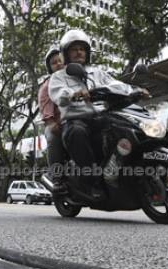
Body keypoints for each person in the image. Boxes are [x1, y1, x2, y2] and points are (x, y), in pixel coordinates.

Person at [49, 29, 148, 201]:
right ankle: (92, 182)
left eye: (82, 49)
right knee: (76, 132)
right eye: (74, 49)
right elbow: (59, 95)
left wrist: (136, 90)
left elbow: (117, 84)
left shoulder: (98, 73)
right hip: (76, 120)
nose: (79, 52)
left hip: (101, 118)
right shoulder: (59, 76)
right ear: (66, 53)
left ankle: (123, 172)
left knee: (126, 126)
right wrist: (75, 94)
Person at [38, 46, 66, 193]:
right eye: (54, 62)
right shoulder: (47, 86)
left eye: (60, 60)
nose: (59, 64)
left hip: (79, 118)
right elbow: (46, 109)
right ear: (50, 67)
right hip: (58, 124)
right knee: (53, 136)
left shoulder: (77, 78)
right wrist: (51, 122)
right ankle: (57, 177)